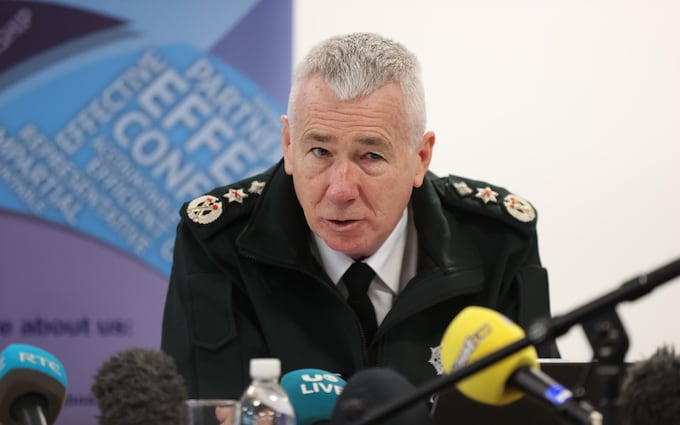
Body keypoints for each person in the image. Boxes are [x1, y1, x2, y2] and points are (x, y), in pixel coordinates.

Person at [161, 32, 559, 400]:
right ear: (288, 144)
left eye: (371, 155)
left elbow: (535, 410)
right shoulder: (219, 243)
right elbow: (206, 409)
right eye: (319, 152)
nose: (340, 190)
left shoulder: (499, 242)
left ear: (420, 157)